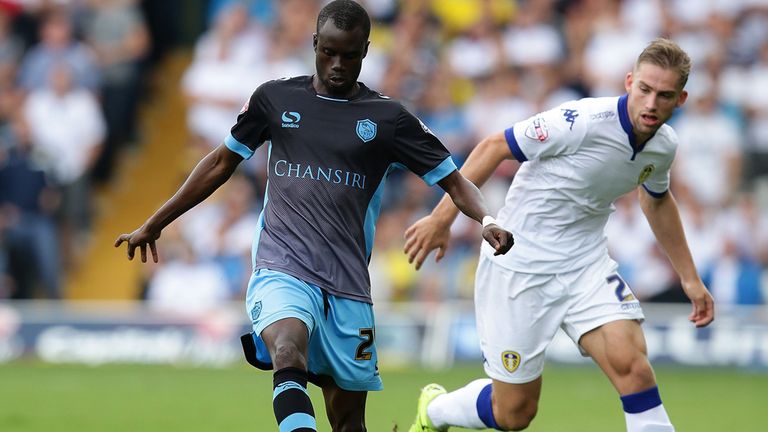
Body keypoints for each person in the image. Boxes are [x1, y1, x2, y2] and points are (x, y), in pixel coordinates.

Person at [114, 1, 513, 431]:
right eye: (328, 52)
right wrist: (155, 222)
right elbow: (219, 163)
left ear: (365, 51)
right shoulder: (275, 98)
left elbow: (455, 181)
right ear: (314, 44)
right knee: (287, 350)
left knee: (348, 422)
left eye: (349, 54)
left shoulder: (388, 119)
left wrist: (487, 219)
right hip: (282, 267)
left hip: (348, 286)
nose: (337, 64)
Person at [404, 38, 715, 432]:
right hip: (518, 265)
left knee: (633, 368)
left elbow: (656, 201)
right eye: (645, 90)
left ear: (681, 99)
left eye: (664, 95)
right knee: (513, 414)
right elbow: (494, 146)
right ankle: (436, 410)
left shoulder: (663, 147)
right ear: (629, 82)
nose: (652, 104)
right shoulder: (582, 121)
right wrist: (442, 218)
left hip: (585, 265)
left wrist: (689, 277)